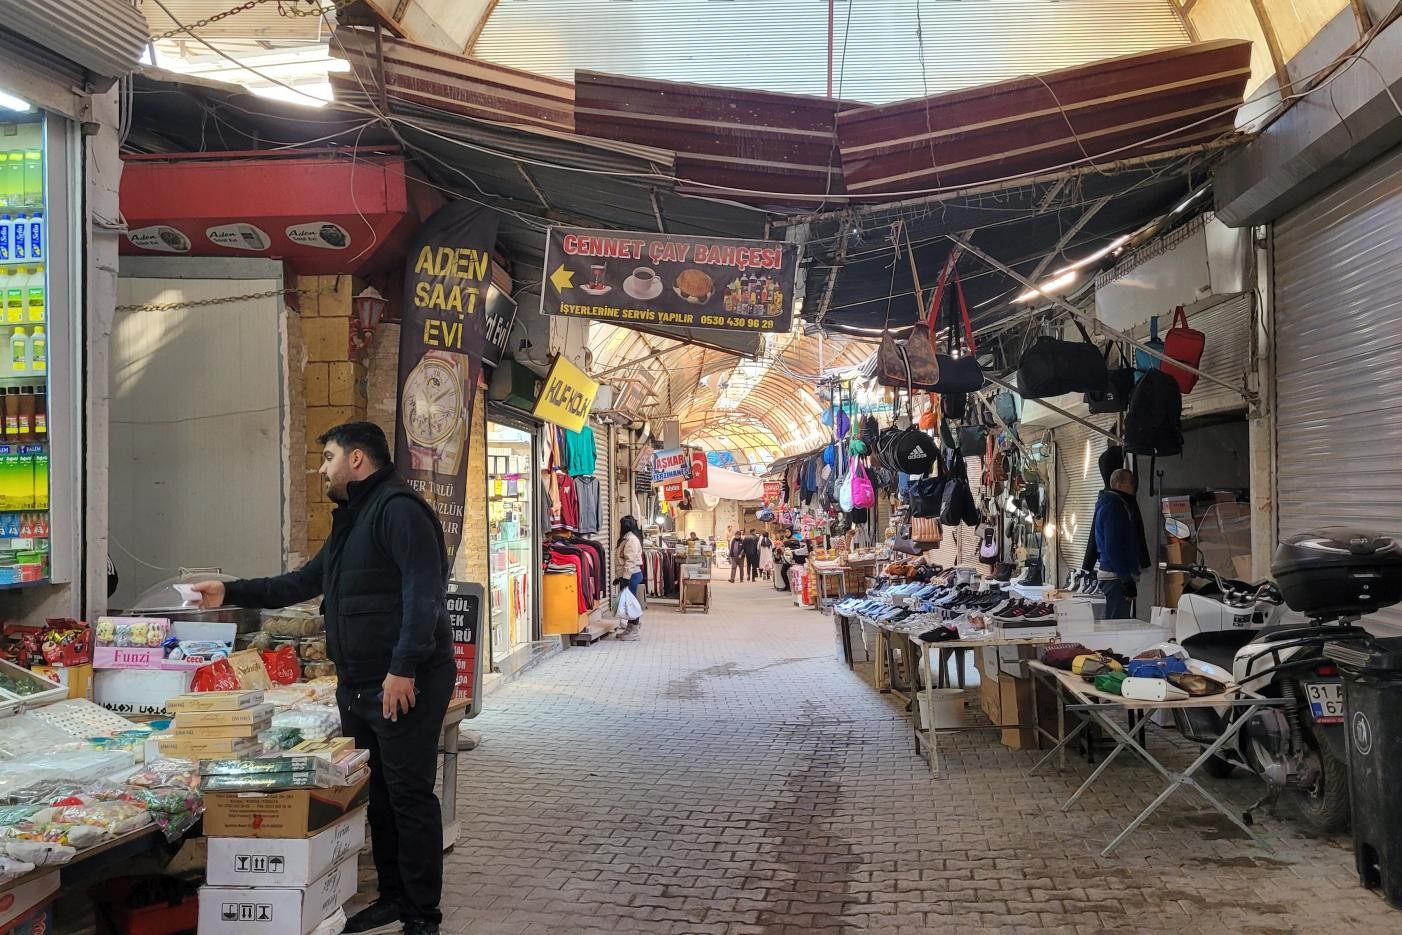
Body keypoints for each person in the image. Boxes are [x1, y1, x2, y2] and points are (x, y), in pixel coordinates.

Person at [190, 421, 453, 935]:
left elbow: (424, 596)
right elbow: (302, 582)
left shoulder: (400, 511)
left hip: (402, 683)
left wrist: (402, 669)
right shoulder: (351, 521)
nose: (320, 468)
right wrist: (231, 590)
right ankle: (395, 897)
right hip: (358, 684)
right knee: (378, 795)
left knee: (410, 795)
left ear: (357, 459)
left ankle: (423, 914)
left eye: (327, 456)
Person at [1091, 468, 1149, 619]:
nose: (1133, 488)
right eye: (1131, 483)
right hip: (1115, 579)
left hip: (1114, 576)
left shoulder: (1109, 503)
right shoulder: (1114, 507)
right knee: (1116, 628)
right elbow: (1113, 547)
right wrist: (1126, 580)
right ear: (1118, 484)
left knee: (1115, 626)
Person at [616, 515, 645, 641]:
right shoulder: (627, 538)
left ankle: (634, 631)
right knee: (628, 603)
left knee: (632, 604)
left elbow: (630, 560)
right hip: (629, 575)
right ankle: (630, 628)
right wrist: (619, 577)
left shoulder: (631, 540)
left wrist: (626, 577)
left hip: (632, 575)